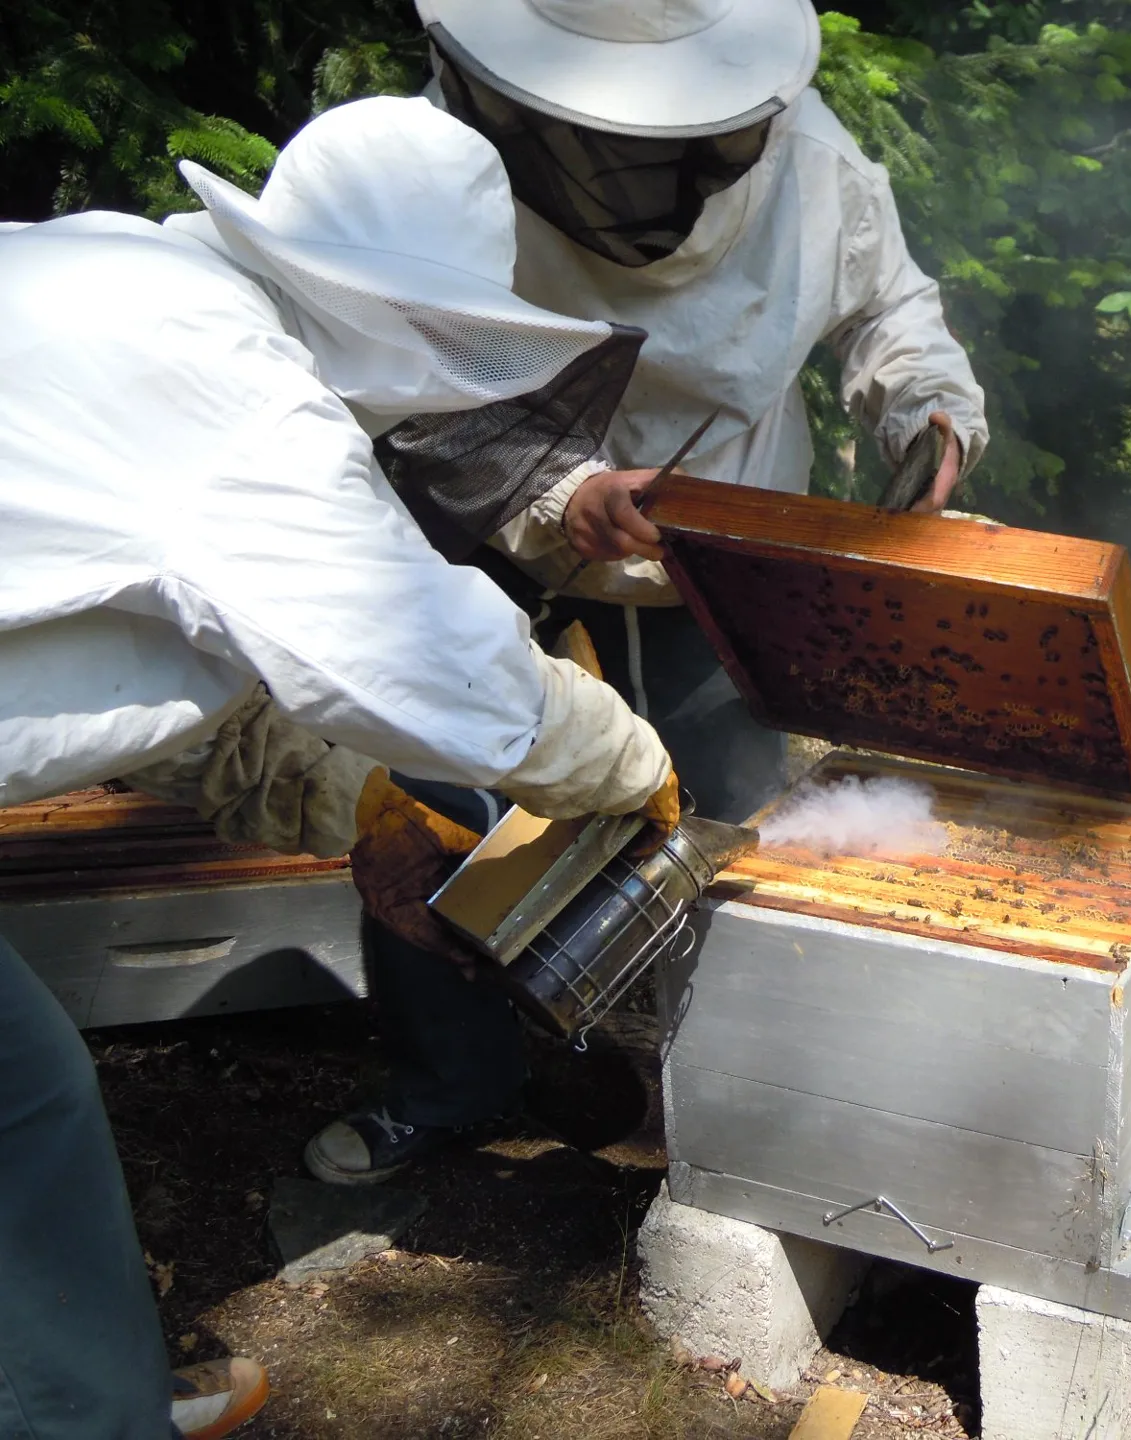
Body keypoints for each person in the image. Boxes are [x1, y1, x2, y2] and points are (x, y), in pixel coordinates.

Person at [0, 96, 680, 1439]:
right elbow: (438, 670)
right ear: (390, 306)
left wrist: (355, 801)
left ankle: (73, 1392)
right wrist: (626, 758)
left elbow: (136, 658)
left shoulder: (124, 274)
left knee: (25, 1100)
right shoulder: (230, 391)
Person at [301, 0, 992, 1183]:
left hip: (713, 540)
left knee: (722, 815)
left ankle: (719, 1103)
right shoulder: (448, 162)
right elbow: (400, 368)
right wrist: (556, 490)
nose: (628, 163)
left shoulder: (813, 163)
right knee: (437, 803)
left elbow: (892, 311)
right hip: (483, 519)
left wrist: (929, 413)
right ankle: (451, 1087)